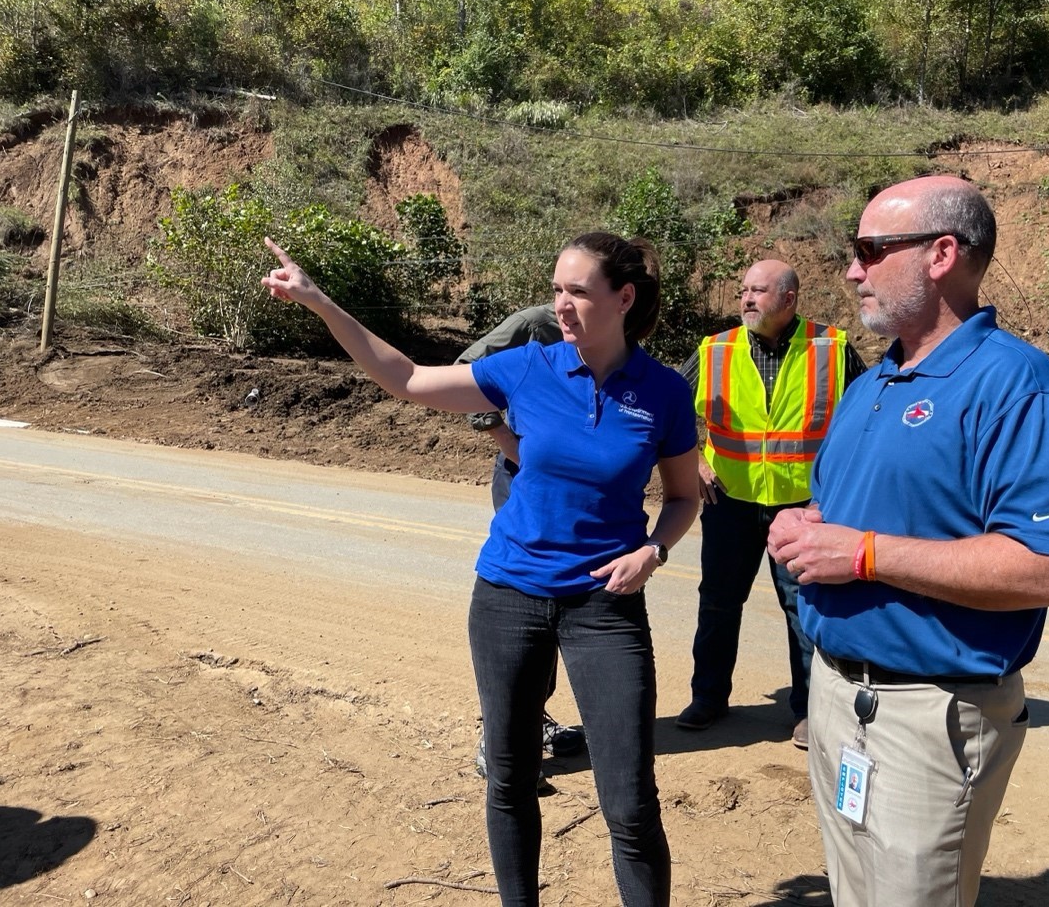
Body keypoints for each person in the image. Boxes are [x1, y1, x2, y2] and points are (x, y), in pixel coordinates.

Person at [262, 231, 700, 907]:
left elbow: (681, 495)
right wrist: (321, 303)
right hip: (508, 597)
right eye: (556, 289)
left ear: (624, 297)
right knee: (510, 777)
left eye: (577, 291)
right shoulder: (527, 367)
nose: (561, 304)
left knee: (631, 801)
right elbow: (404, 376)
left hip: (605, 607)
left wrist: (655, 549)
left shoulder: (663, 392)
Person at [767, 176, 1049, 907]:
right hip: (836, 694)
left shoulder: (1017, 385)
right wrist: (807, 520)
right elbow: (844, 504)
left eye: (869, 250)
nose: (852, 270)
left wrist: (862, 554)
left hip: (928, 715)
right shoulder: (873, 382)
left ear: (942, 253)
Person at [674, 260, 865, 751]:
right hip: (730, 500)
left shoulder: (832, 347)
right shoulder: (715, 349)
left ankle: (807, 712)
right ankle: (708, 698)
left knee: (804, 610)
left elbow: (867, 418)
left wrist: (840, 489)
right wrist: (692, 461)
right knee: (718, 603)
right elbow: (667, 410)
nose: (746, 299)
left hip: (802, 507)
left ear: (789, 299)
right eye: (743, 291)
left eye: (758, 291)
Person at [454, 306, 586, 781]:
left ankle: (532, 719)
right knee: (523, 602)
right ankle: (500, 737)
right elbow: (466, 368)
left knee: (560, 606)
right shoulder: (539, 324)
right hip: (525, 479)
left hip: (578, 490)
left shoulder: (620, 339)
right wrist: (504, 437)